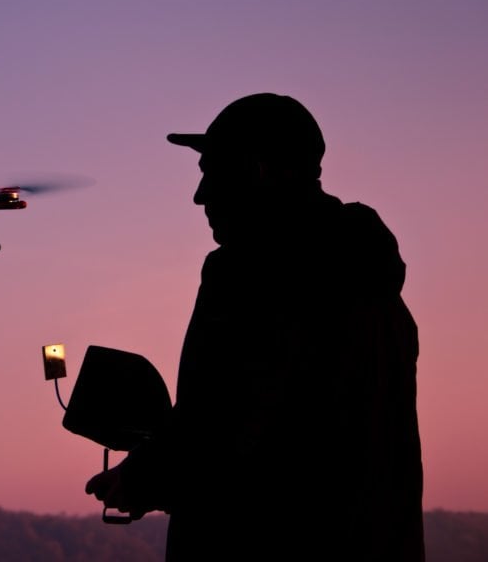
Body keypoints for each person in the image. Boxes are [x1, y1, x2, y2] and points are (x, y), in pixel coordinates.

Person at [86, 93, 424, 561]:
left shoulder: (250, 273)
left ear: (260, 170)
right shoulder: (377, 288)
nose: (199, 195)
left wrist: (138, 479)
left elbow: (223, 422)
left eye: (212, 172)